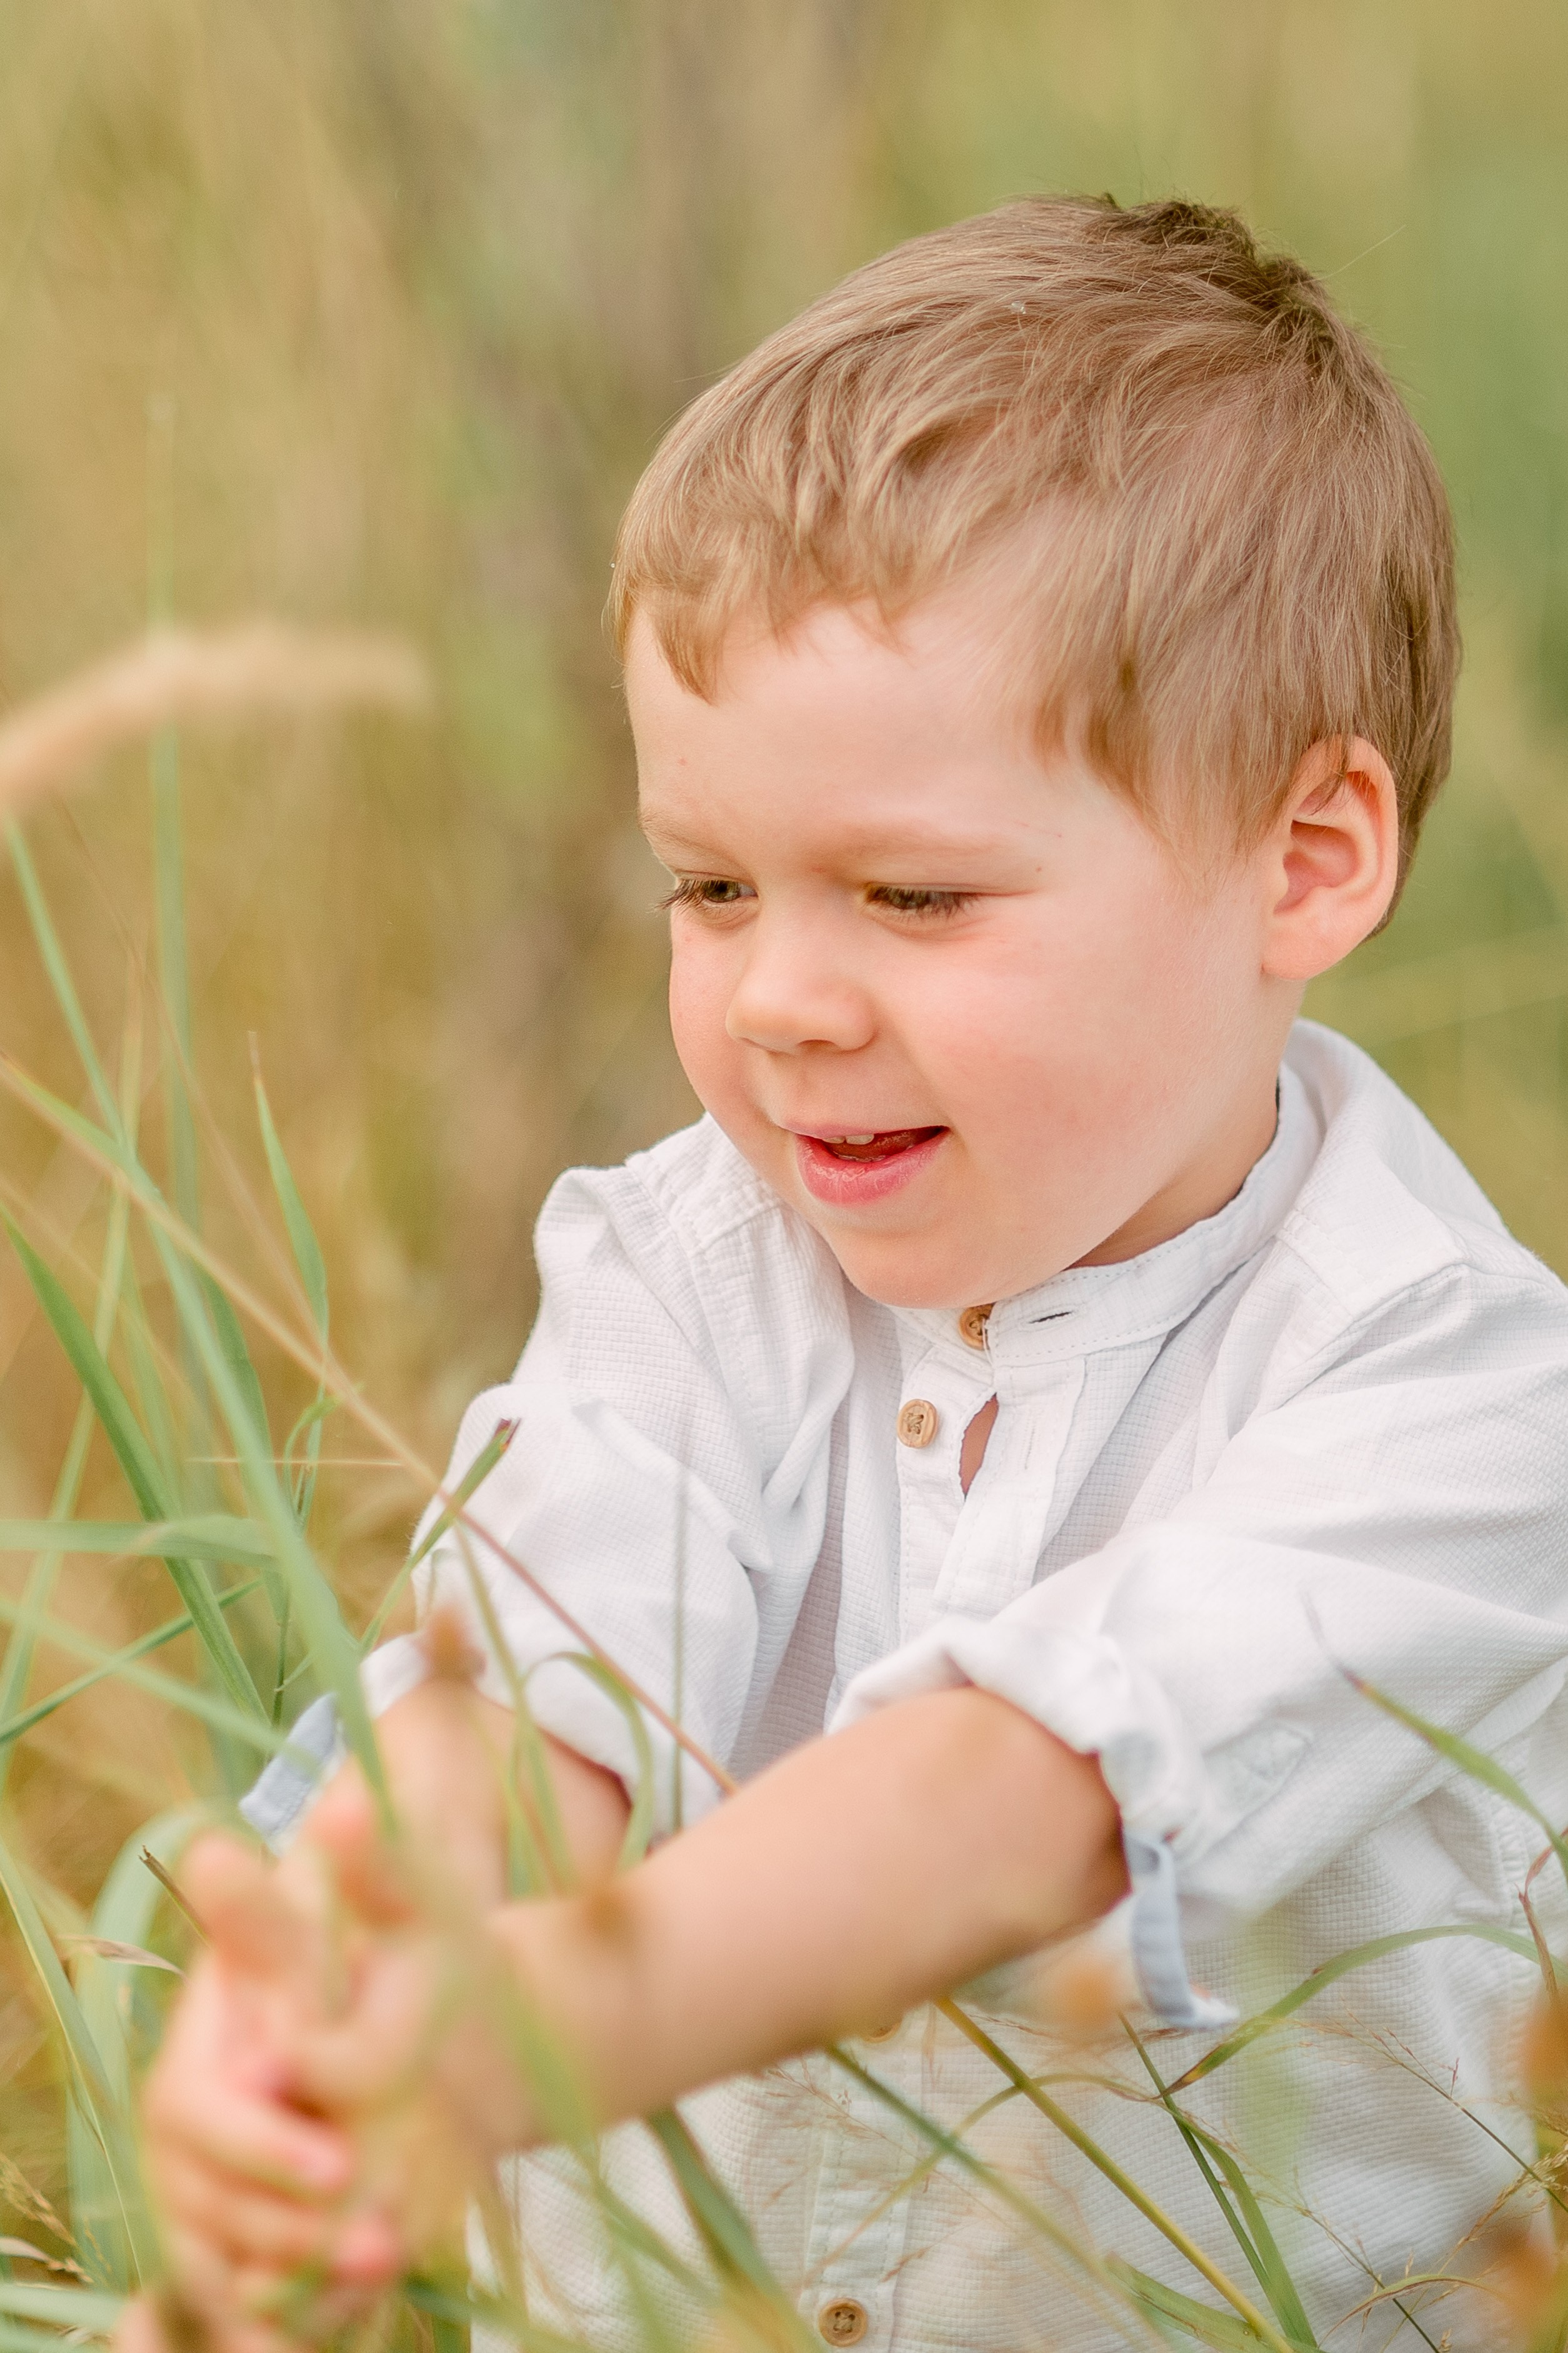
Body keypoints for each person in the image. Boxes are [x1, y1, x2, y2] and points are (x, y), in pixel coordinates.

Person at [134, 196, 1568, 2353]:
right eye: (711, 887)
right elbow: (526, 1696)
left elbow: (1018, 1806)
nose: (781, 1002)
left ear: (1304, 858)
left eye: (912, 895)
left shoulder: (1455, 1393)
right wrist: (344, 2007)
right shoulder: (694, 1268)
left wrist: (523, 2037)